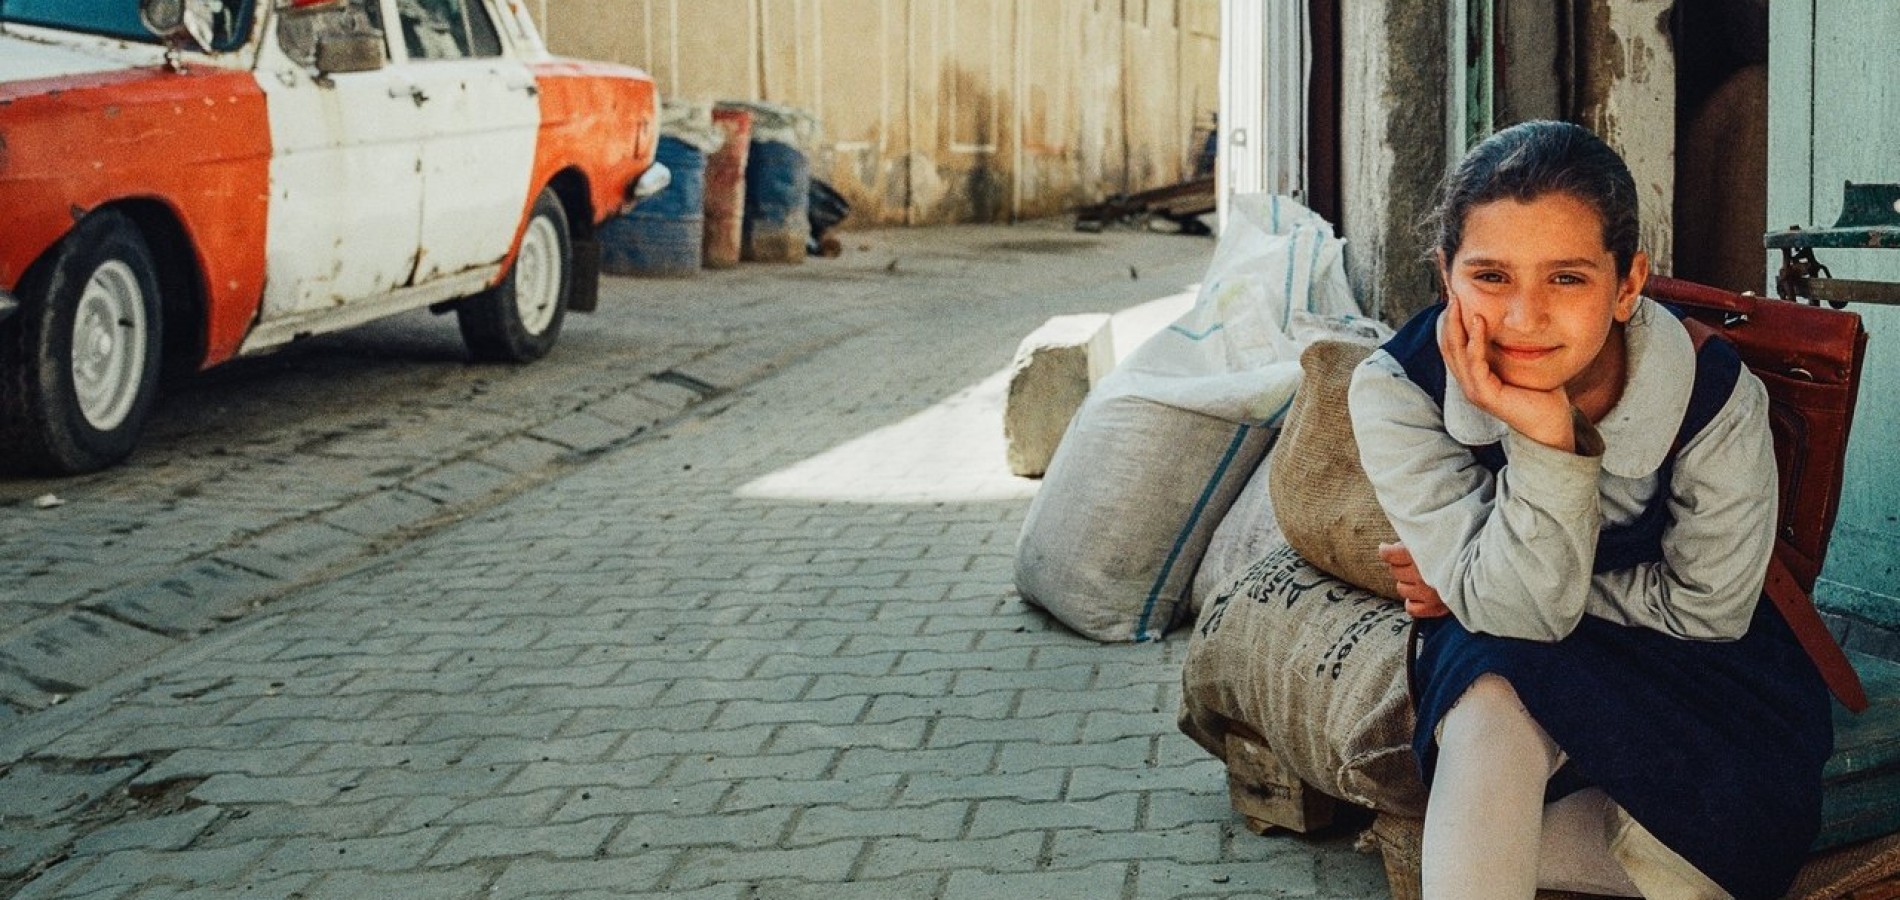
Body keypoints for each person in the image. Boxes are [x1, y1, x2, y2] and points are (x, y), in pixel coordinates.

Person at [1347, 120, 1832, 900]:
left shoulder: (1712, 393)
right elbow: (1519, 613)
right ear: (1446, 276)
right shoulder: (1399, 390)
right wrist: (1544, 436)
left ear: (1628, 283)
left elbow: (1706, 609)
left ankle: (1489, 851)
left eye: (1567, 278)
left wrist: (1476, 585)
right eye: (1491, 277)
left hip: (1699, 667)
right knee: (1493, 680)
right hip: (1508, 653)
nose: (1524, 317)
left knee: (1741, 833)